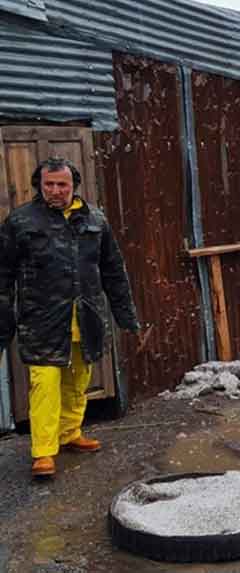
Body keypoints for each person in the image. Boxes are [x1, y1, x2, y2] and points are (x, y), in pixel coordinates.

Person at [0, 157, 140, 478]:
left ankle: (69, 432)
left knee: (78, 379)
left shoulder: (95, 219)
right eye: (48, 184)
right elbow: (3, 275)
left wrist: (125, 315)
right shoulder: (20, 222)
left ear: (73, 186)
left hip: (85, 316)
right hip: (41, 320)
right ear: (39, 185)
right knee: (45, 385)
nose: (55, 190)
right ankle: (43, 451)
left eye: (61, 184)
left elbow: (113, 270)